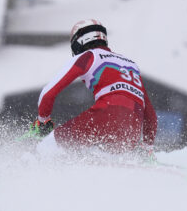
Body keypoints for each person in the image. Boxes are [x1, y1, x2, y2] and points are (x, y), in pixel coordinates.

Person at [34, 19, 157, 154]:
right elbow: (150, 114)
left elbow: (48, 92)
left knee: (48, 147)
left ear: (79, 41)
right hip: (131, 130)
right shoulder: (131, 65)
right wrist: (148, 147)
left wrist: (43, 120)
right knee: (103, 158)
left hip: (105, 115)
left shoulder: (88, 56)